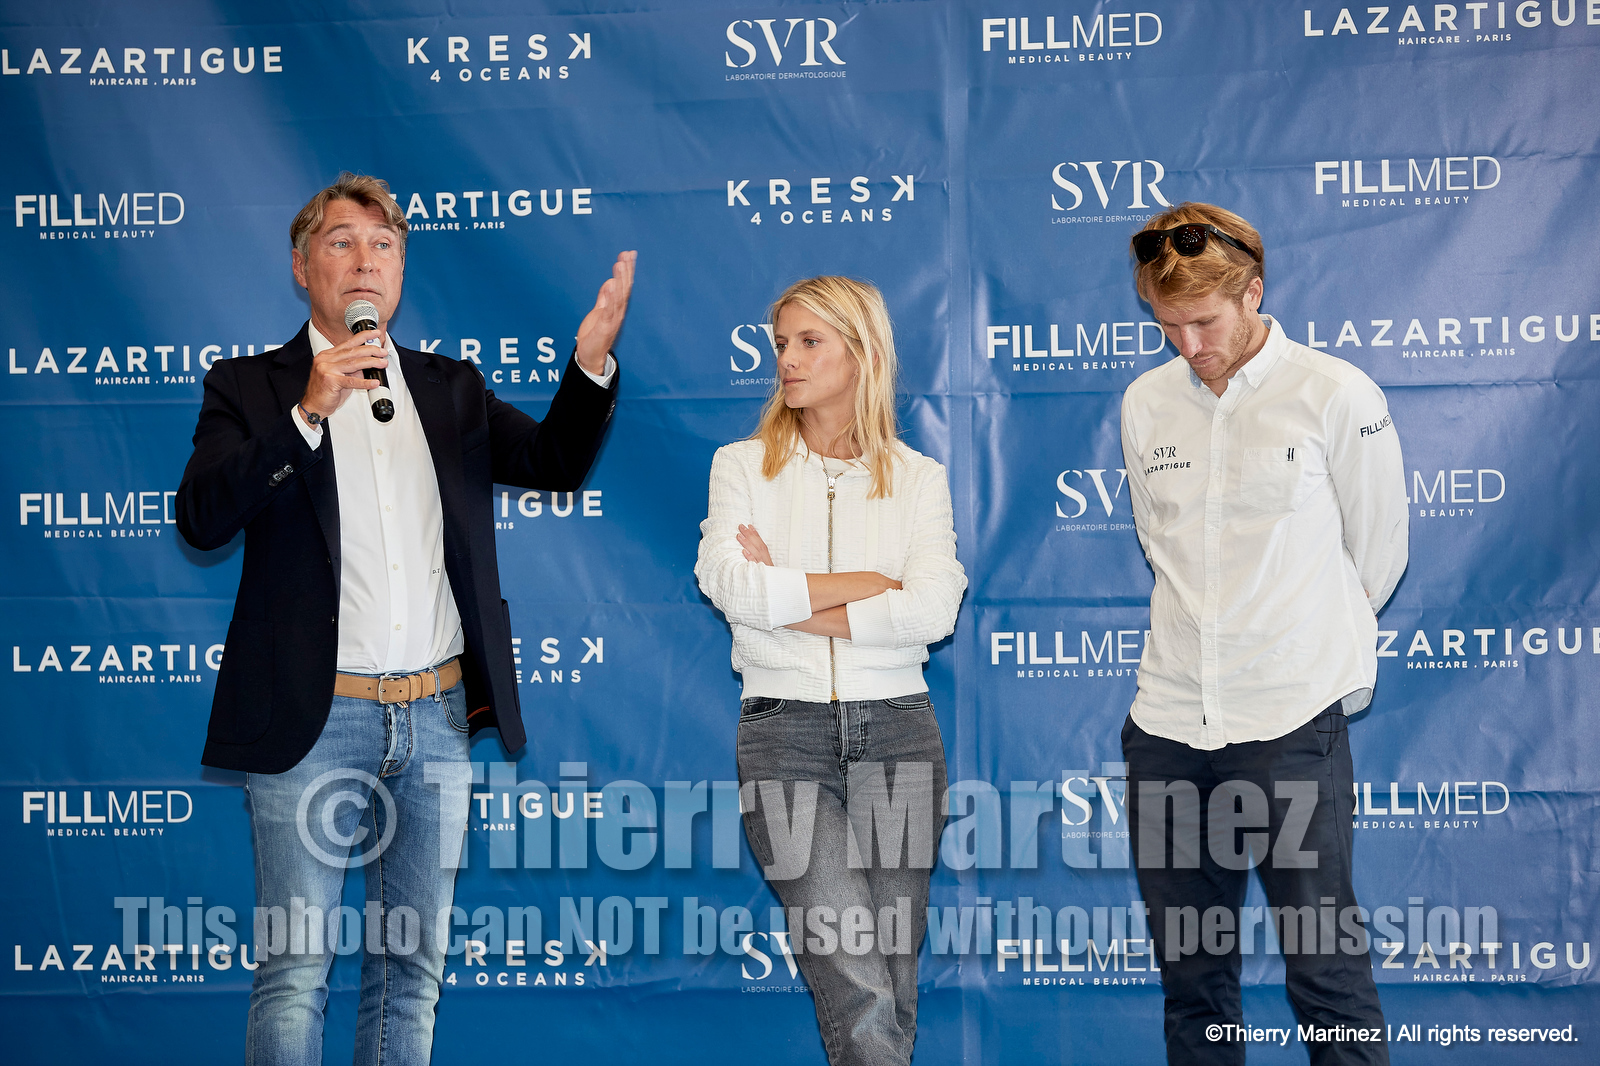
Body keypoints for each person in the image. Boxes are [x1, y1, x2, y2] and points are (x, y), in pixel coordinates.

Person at [175, 172, 635, 1065]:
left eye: (384, 246)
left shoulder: (448, 387)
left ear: (400, 273)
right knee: (295, 973)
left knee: (409, 975)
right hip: (312, 723)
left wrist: (588, 369)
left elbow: (553, 461)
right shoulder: (250, 388)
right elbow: (201, 515)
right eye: (343, 242)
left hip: (435, 720)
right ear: (304, 264)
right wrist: (309, 409)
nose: (365, 260)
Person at [1118, 203, 1407, 1066]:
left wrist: (1293, 640)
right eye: (1168, 327)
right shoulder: (1144, 403)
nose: (1188, 345)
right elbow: (1155, 543)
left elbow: (1377, 556)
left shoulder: (1334, 391)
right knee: (1194, 985)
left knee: (1326, 975)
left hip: (1289, 722)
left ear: (1254, 293)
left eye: (1203, 322)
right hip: (1168, 728)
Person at [695, 276, 965, 1066]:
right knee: (857, 977)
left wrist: (788, 596)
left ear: (863, 352)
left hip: (900, 734)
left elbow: (933, 611)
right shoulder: (740, 465)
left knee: (893, 976)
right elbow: (729, 584)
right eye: (781, 342)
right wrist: (870, 586)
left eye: (809, 341)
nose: (787, 359)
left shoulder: (918, 478)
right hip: (785, 736)